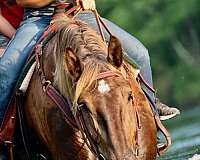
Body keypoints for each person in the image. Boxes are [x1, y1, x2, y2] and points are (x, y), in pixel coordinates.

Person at [0, 0, 179, 124]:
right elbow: (25, 1)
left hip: (78, 13)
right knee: (5, 71)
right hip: (38, 18)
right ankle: (3, 141)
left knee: (140, 54)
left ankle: (152, 113)